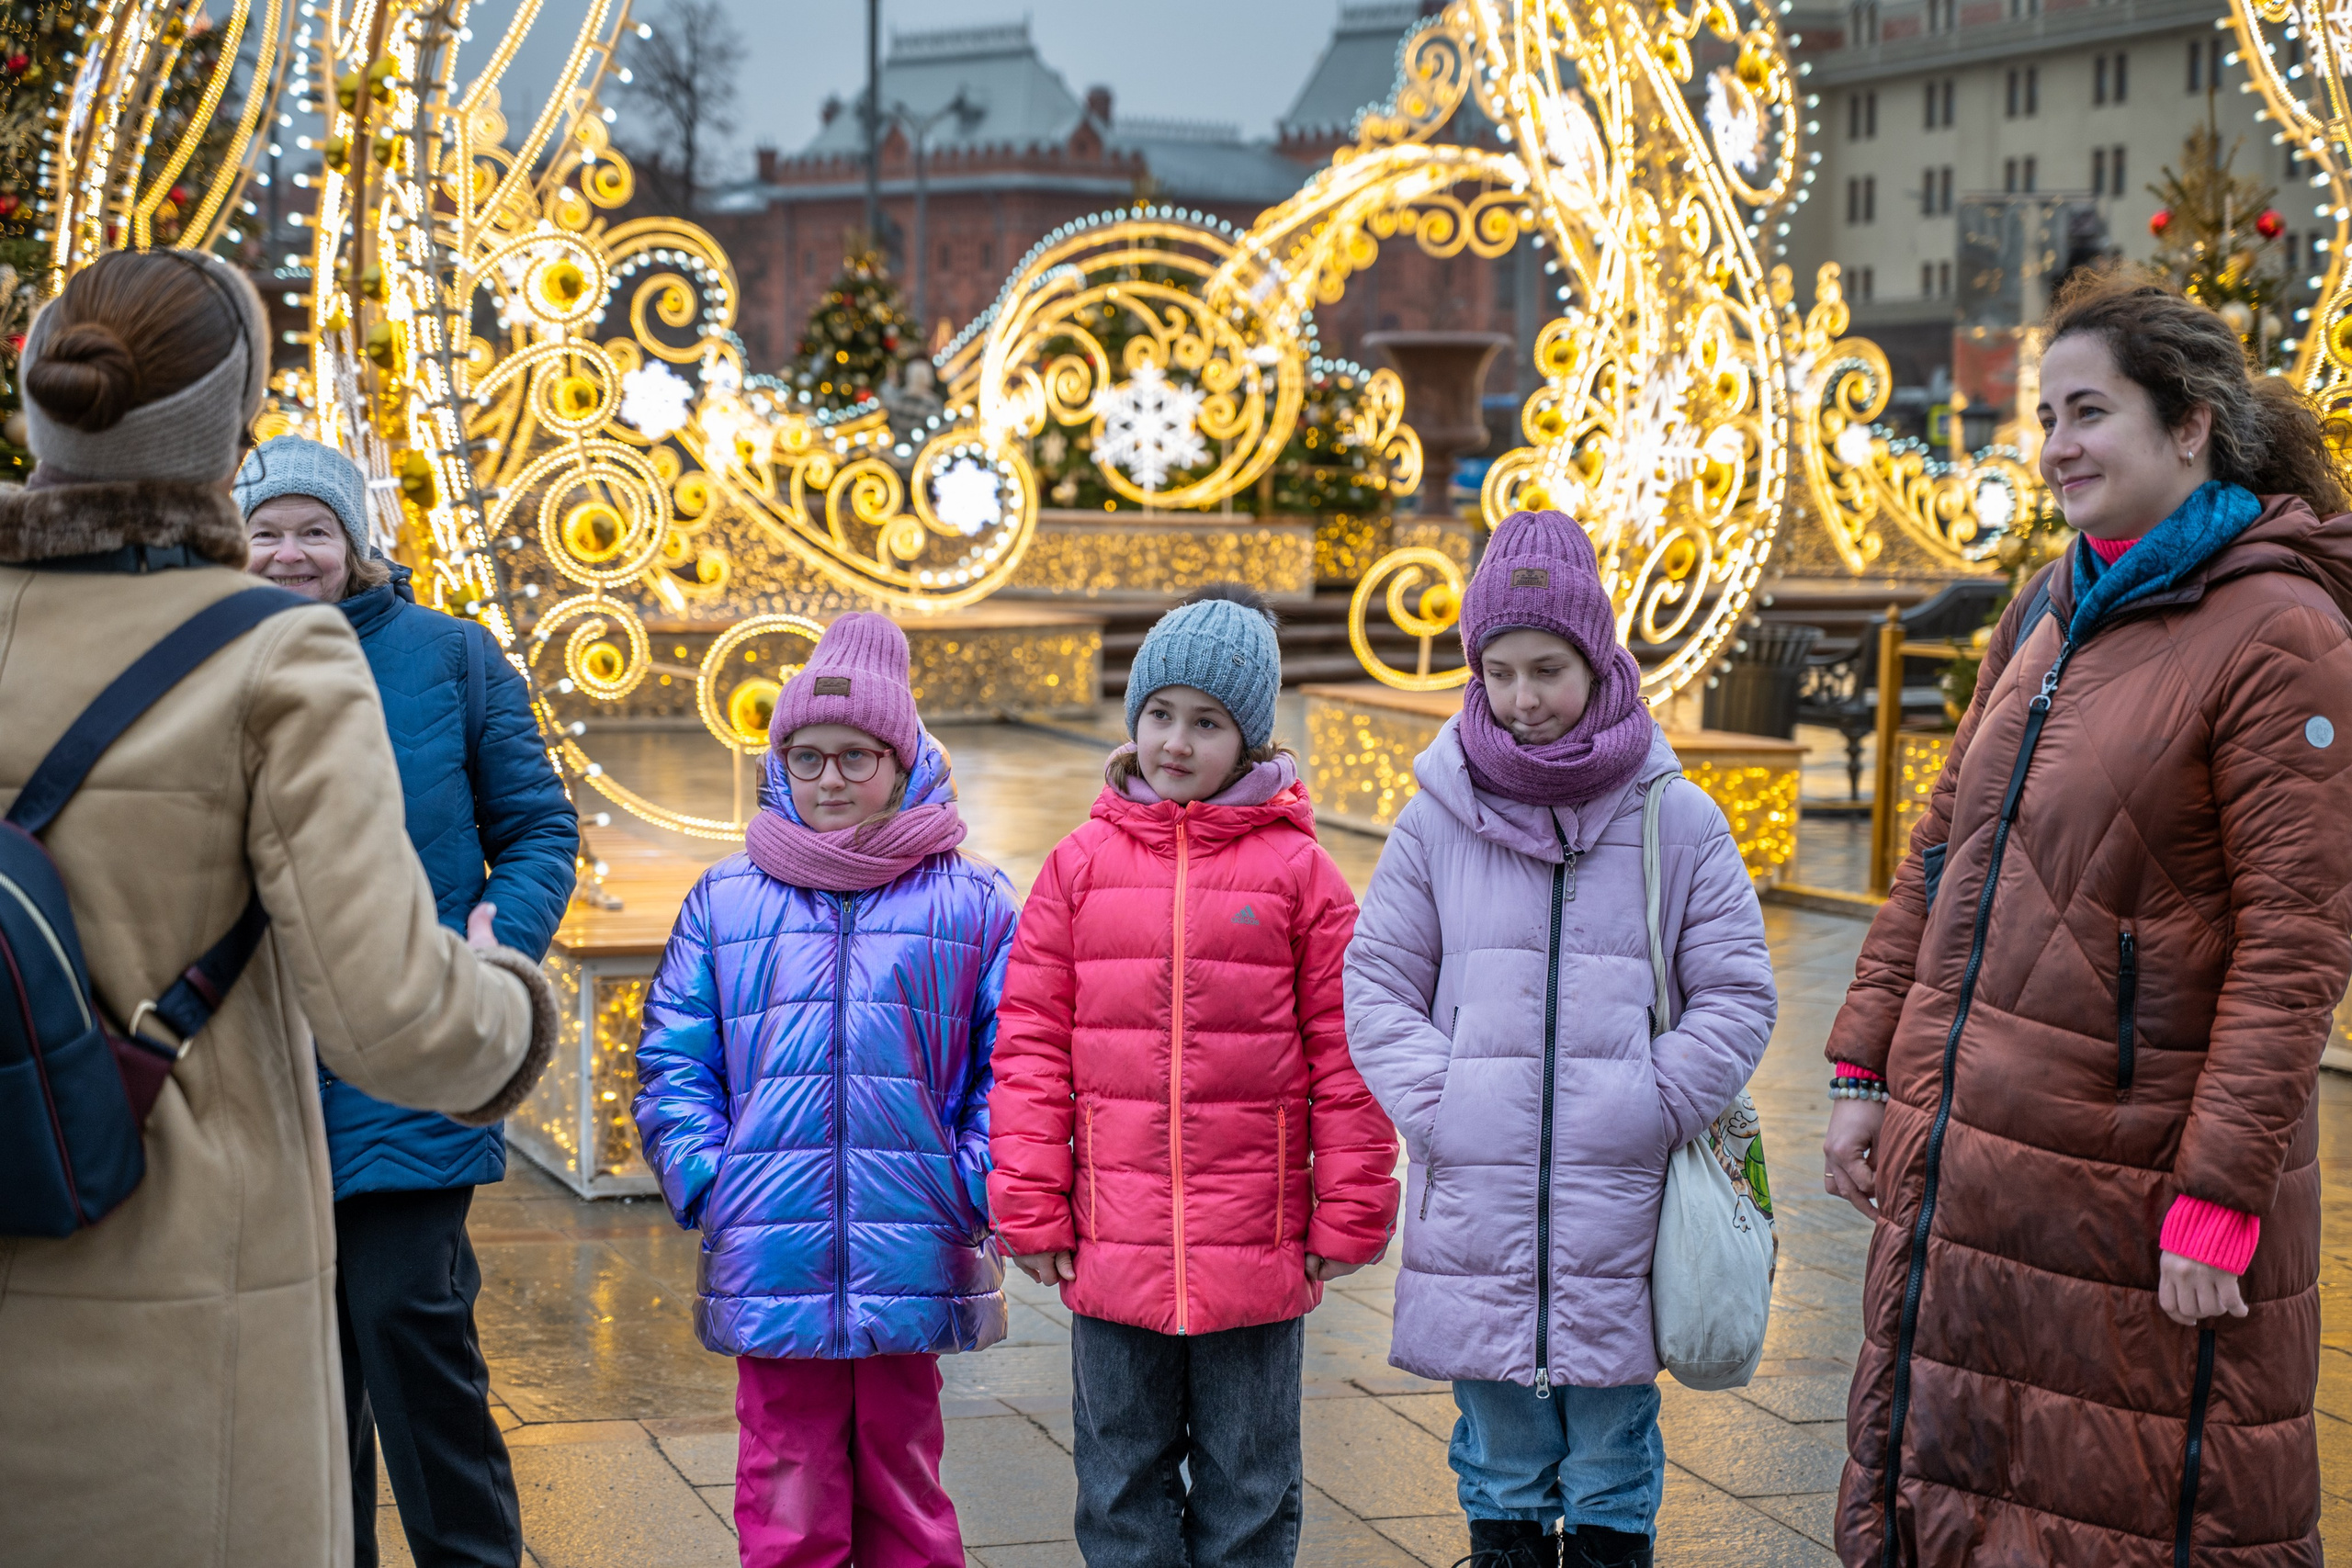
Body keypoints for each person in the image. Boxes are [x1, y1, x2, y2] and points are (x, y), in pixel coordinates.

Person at [0, 253, 558, 1566]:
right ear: (221, 433)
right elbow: (394, 1017)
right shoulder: (268, 650)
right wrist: (515, 1004)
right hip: (172, 1263)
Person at [1820, 271, 2352, 1565]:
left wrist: (2217, 1201)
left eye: (2089, 412)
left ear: (2190, 427)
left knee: (2115, 1502)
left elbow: (2294, 950)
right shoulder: (2049, 607)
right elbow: (1938, 850)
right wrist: (1861, 1063)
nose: (2055, 446)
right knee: (1963, 1495)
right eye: (2044, 416)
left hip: (2135, 1187)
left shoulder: (2279, 630)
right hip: (1982, 1170)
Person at [1343, 511, 1777, 1568]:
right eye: (1500, 671)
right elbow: (1377, 983)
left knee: (1612, 1455)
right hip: (1479, 1195)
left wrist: (1654, 1098)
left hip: (1619, 1197)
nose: (1524, 698)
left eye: (1548, 668)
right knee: (1494, 1450)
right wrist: (1440, 1099)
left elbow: (1735, 992)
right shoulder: (1436, 818)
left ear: (1598, 659)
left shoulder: (1676, 817)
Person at [989, 585, 1402, 1568]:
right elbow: (1031, 1047)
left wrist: (1347, 1213)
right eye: (1161, 713)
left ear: (1250, 741)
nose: (1177, 741)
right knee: (1119, 1476)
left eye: (1208, 722)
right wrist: (1030, 1206)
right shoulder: (1078, 867)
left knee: (1250, 1482)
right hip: (1114, 1236)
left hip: (1256, 1244)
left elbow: (1348, 1056)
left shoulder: (1300, 876)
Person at [237, 434, 577, 1568]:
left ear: (356, 541)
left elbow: (538, 824)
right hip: (258, 1069)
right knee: (297, 1380)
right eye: (268, 531)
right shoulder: (207, 661)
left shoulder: (453, 656)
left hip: (408, 1045)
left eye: (314, 530)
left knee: (408, 1327)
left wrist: (497, 946)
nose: (291, 554)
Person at [633, 613, 1018, 1568]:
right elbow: (674, 1061)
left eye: (855, 756)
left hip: (911, 1234)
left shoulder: (970, 901)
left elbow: (1008, 1064)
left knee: (903, 1485)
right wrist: (712, 1178)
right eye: (807, 759)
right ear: (779, 764)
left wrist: (969, 1183)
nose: (831, 780)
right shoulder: (725, 900)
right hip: (772, 1243)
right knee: (786, 1485)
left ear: (902, 758)